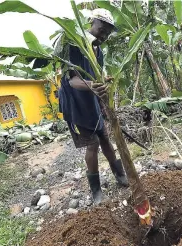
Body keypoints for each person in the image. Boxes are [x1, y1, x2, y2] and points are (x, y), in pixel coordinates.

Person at [58, 9, 128, 205]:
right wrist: (93, 85)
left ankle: (120, 176)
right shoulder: (74, 46)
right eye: (101, 29)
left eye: (107, 32)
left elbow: (92, 75)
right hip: (77, 103)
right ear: (91, 23)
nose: (104, 35)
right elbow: (72, 80)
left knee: (105, 137)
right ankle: (96, 191)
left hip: (92, 100)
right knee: (93, 144)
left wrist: (103, 79)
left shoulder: (99, 51)